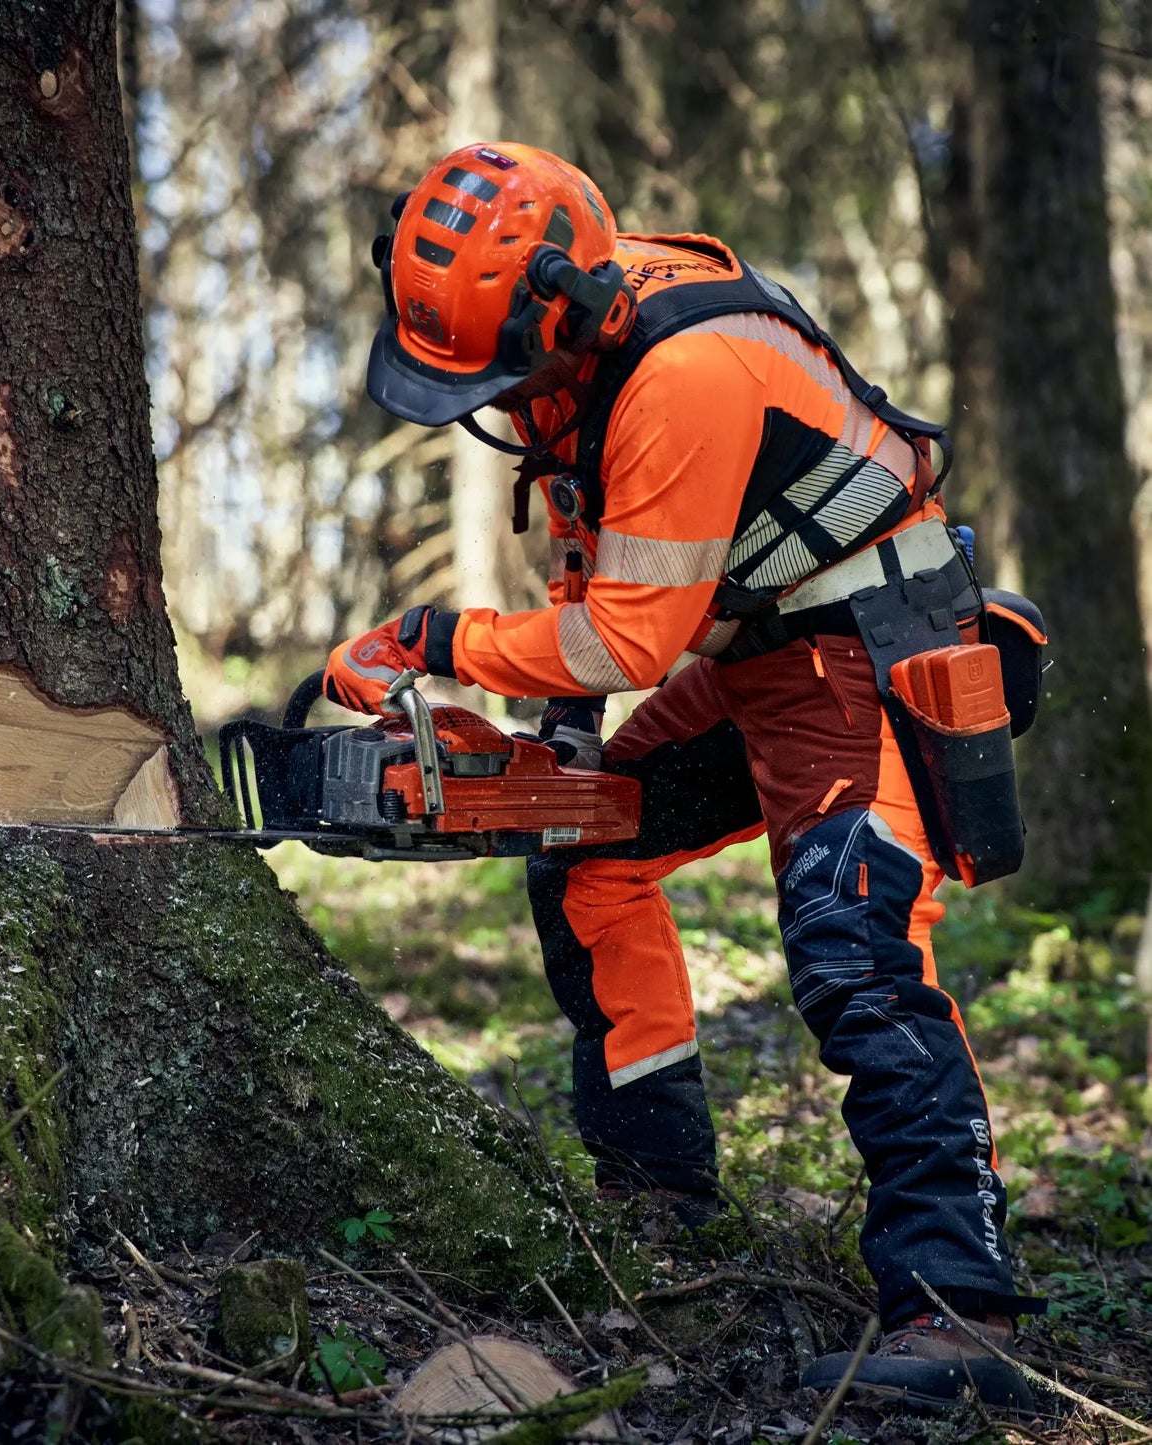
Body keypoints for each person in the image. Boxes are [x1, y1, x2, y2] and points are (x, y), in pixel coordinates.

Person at [322, 142, 1047, 1411]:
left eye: (506, 369)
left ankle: (958, 1310)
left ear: (564, 311)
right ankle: (658, 1193)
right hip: (761, 661)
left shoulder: (682, 376)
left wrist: (440, 643)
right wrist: (565, 748)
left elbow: (623, 637)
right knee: (587, 849)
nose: (501, 398)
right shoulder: (572, 369)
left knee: (854, 948)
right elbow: (590, 570)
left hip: (872, 653)